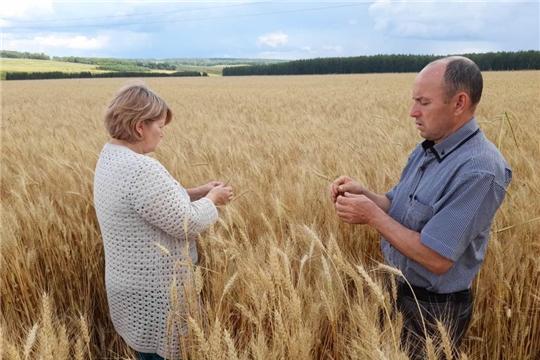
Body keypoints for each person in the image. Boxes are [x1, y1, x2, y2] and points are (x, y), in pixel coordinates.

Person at [330, 57, 512, 359]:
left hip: (432, 311)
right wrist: (366, 195)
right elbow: (398, 208)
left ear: (459, 103)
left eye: (423, 103)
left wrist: (371, 215)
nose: (413, 112)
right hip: (395, 290)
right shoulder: (429, 147)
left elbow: (437, 258)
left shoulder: (481, 171)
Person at [93, 81, 233, 360]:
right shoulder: (141, 168)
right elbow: (186, 222)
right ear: (139, 127)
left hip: (129, 290)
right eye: (160, 125)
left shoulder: (111, 156)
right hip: (158, 298)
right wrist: (213, 198)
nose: (163, 134)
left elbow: (149, 203)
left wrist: (198, 191)